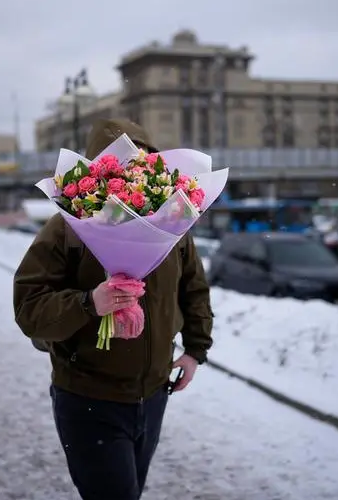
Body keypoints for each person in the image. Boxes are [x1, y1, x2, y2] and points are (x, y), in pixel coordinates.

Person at [13, 118, 213, 500]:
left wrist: (194, 350)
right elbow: (29, 306)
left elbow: (194, 289)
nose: (131, 170)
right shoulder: (67, 228)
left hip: (153, 396)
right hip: (89, 399)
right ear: (97, 169)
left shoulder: (172, 225)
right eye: (119, 163)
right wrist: (90, 303)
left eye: (142, 162)